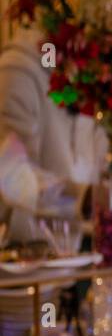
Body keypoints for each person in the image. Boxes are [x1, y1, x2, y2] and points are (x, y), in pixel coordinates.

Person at [0, 25, 105, 247]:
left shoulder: (92, 73)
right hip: (22, 258)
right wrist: (83, 196)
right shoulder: (19, 68)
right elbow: (11, 173)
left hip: (73, 253)